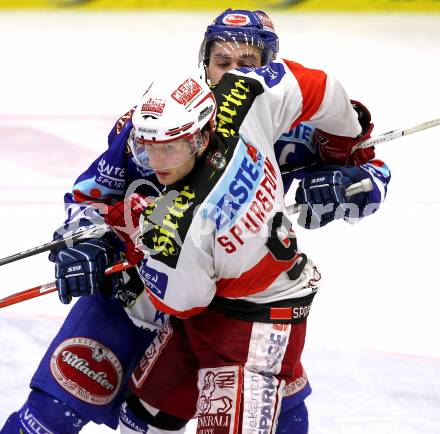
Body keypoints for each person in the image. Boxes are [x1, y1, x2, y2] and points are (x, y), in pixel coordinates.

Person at [0, 9, 390, 434]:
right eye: (223, 63)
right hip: (133, 297)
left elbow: (371, 172)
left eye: (247, 64)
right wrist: (82, 240)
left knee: (276, 403)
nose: (232, 74)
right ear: (205, 63)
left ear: (267, 67)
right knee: (51, 415)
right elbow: (91, 196)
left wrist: (350, 185)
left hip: (227, 302)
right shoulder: (157, 127)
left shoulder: (285, 124)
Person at [114, 55, 379, 434]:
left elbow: (184, 303)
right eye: (148, 146)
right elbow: (319, 87)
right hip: (227, 302)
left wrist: (138, 242)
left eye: (169, 147)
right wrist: (344, 144)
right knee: (146, 414)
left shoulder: (174, 225)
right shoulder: (243, 93)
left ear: (201, 135)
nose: (155, 161)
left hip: (257, 320)